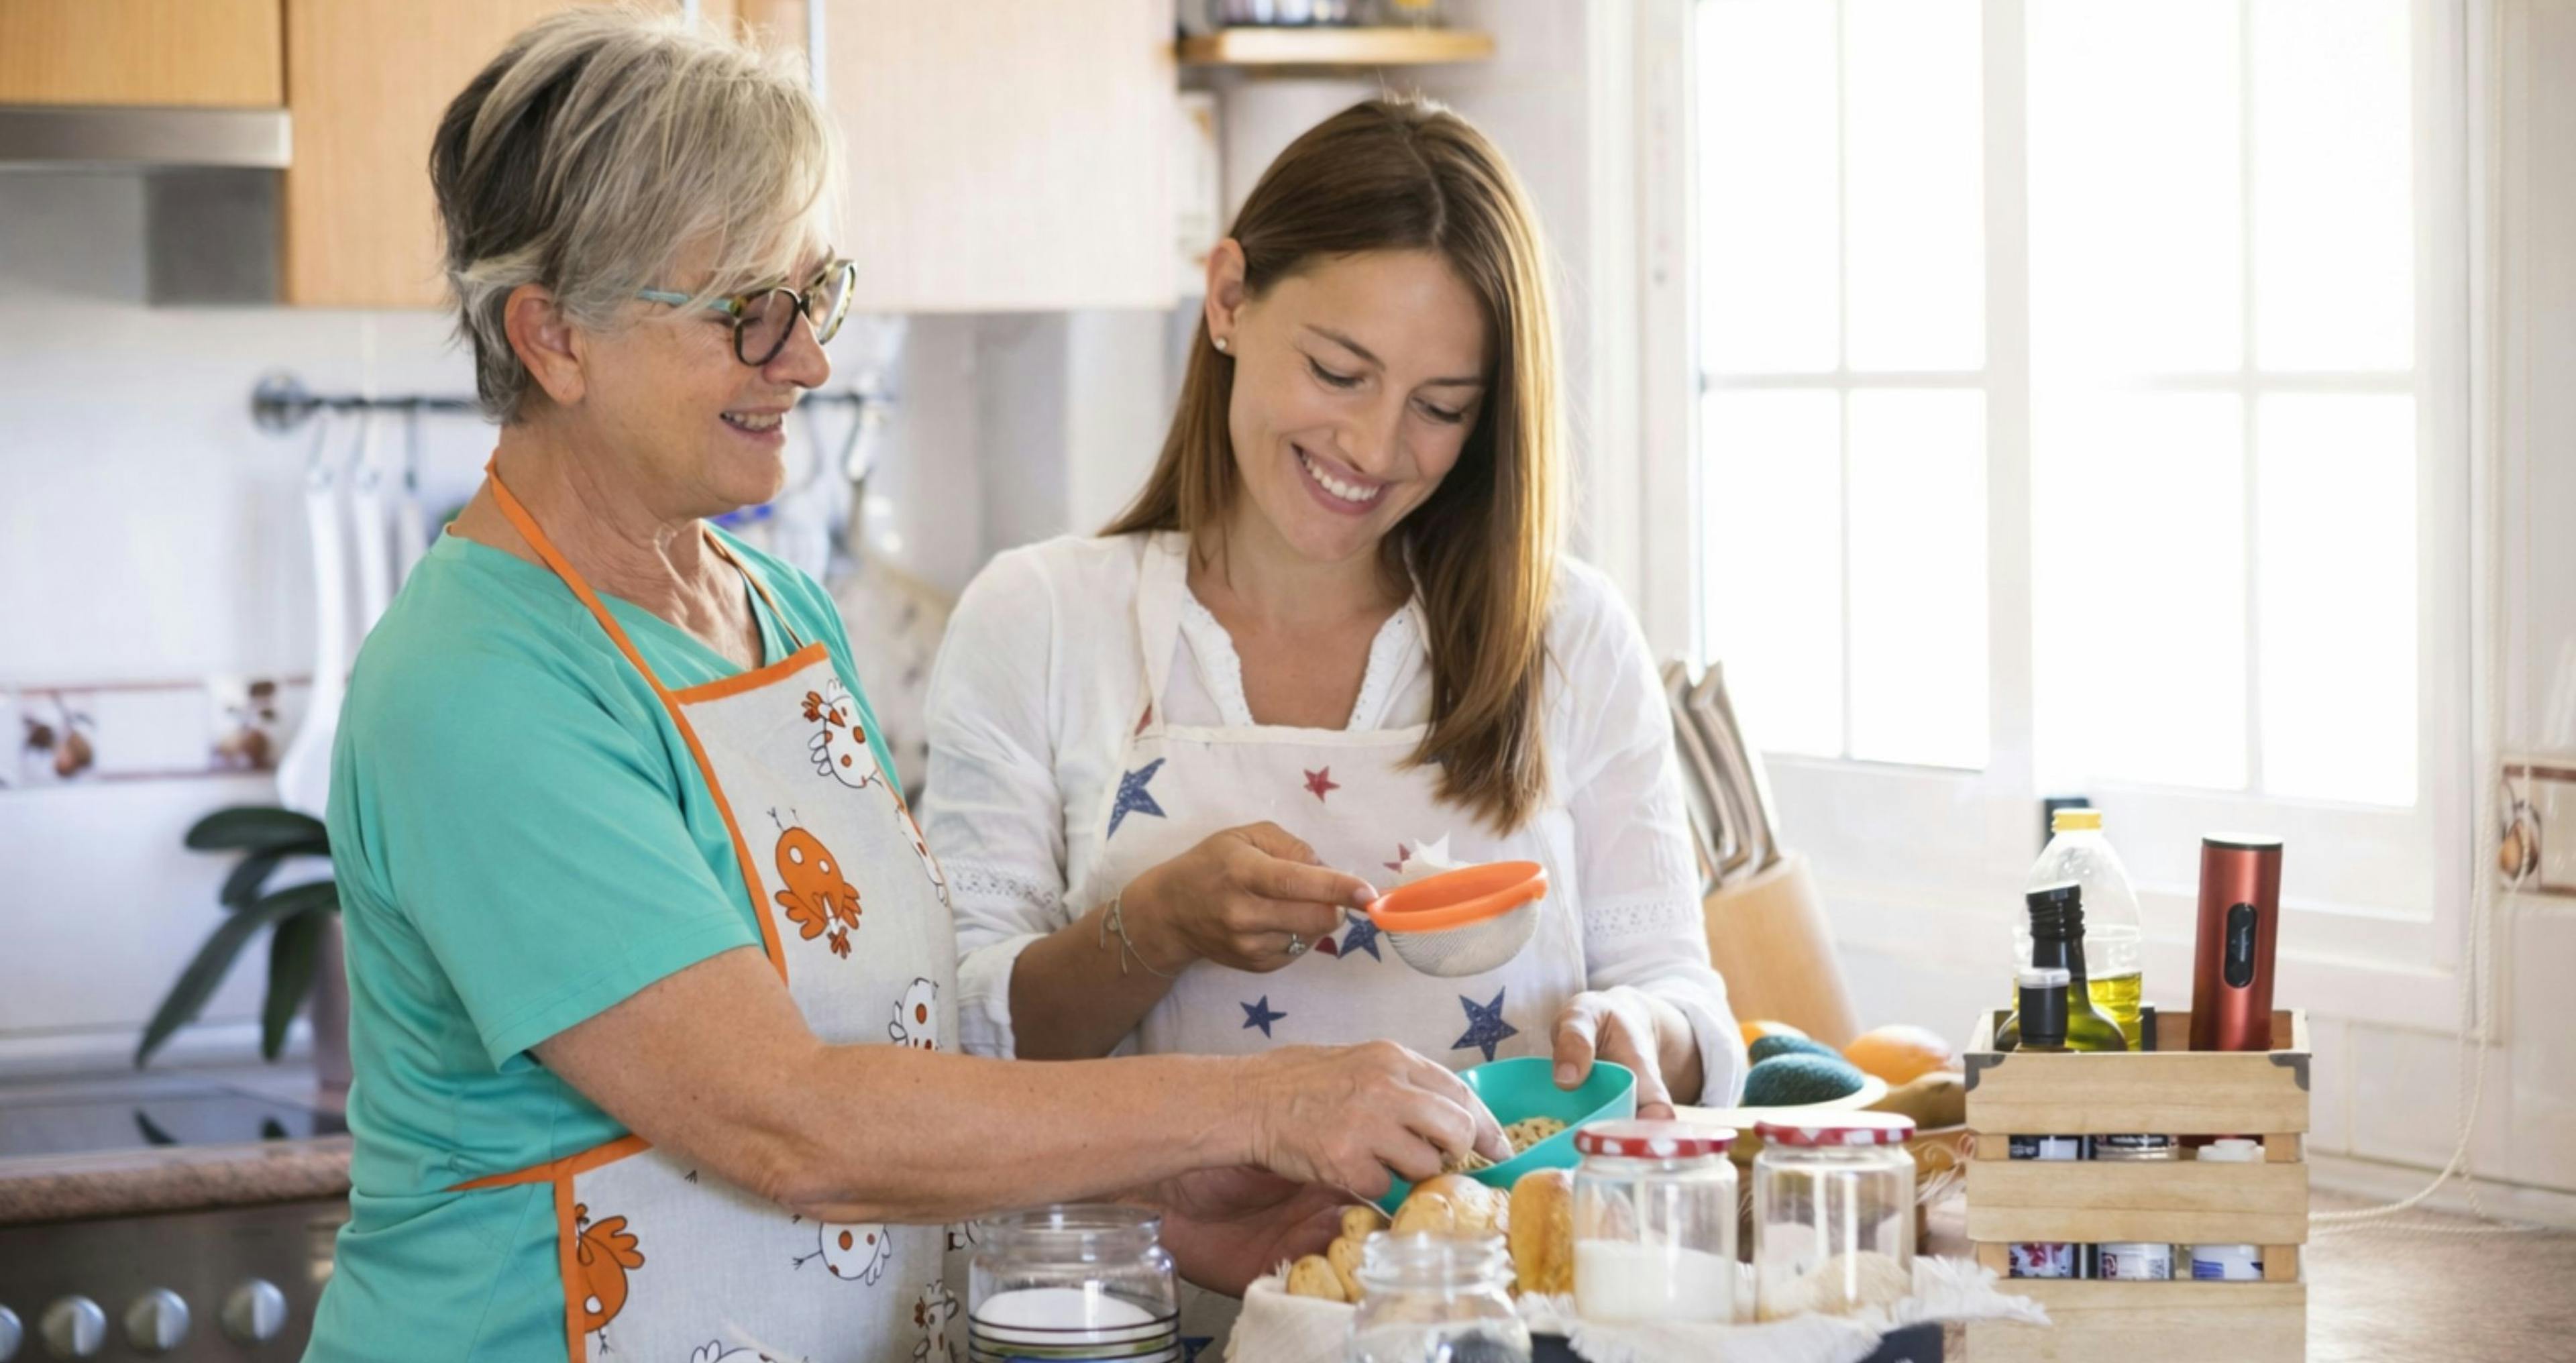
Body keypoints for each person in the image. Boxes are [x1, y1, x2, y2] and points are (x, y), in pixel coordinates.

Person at [309, 17, 1503, 1362]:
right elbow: (790, 1119)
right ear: (554, 337)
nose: (808, 360)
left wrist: (1151, 1198)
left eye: (816, 296)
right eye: (749, 313)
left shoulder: (779, 614)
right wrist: (1261, 1103)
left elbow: (899, 1058)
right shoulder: (481, 686)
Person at [930, 99, 1746, 1122]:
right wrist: (1154, 928)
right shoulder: (1042, 618)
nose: (1370, 445)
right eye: (1338, 372)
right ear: (1228, 298)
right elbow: (958, 1042)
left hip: (1498, 1272)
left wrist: (1641, 1031)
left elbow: (1682, 997)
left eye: (1440, 407)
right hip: (1143, 1283)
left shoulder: (1567, 632)